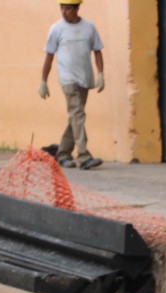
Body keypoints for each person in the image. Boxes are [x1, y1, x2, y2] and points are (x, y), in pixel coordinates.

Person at [39, 0, 104, 170]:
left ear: (76, 8)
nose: (63, 11)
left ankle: (63, 154)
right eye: (61, 8)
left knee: (75, 117)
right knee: (78, 114)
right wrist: (43, 81)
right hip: (67, 79)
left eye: (67, 8)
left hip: (84, 78)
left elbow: (97, 51)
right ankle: (83, 155)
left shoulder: (89, 27)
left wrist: (100, 74)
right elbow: (49, 56)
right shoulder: (56, 29)